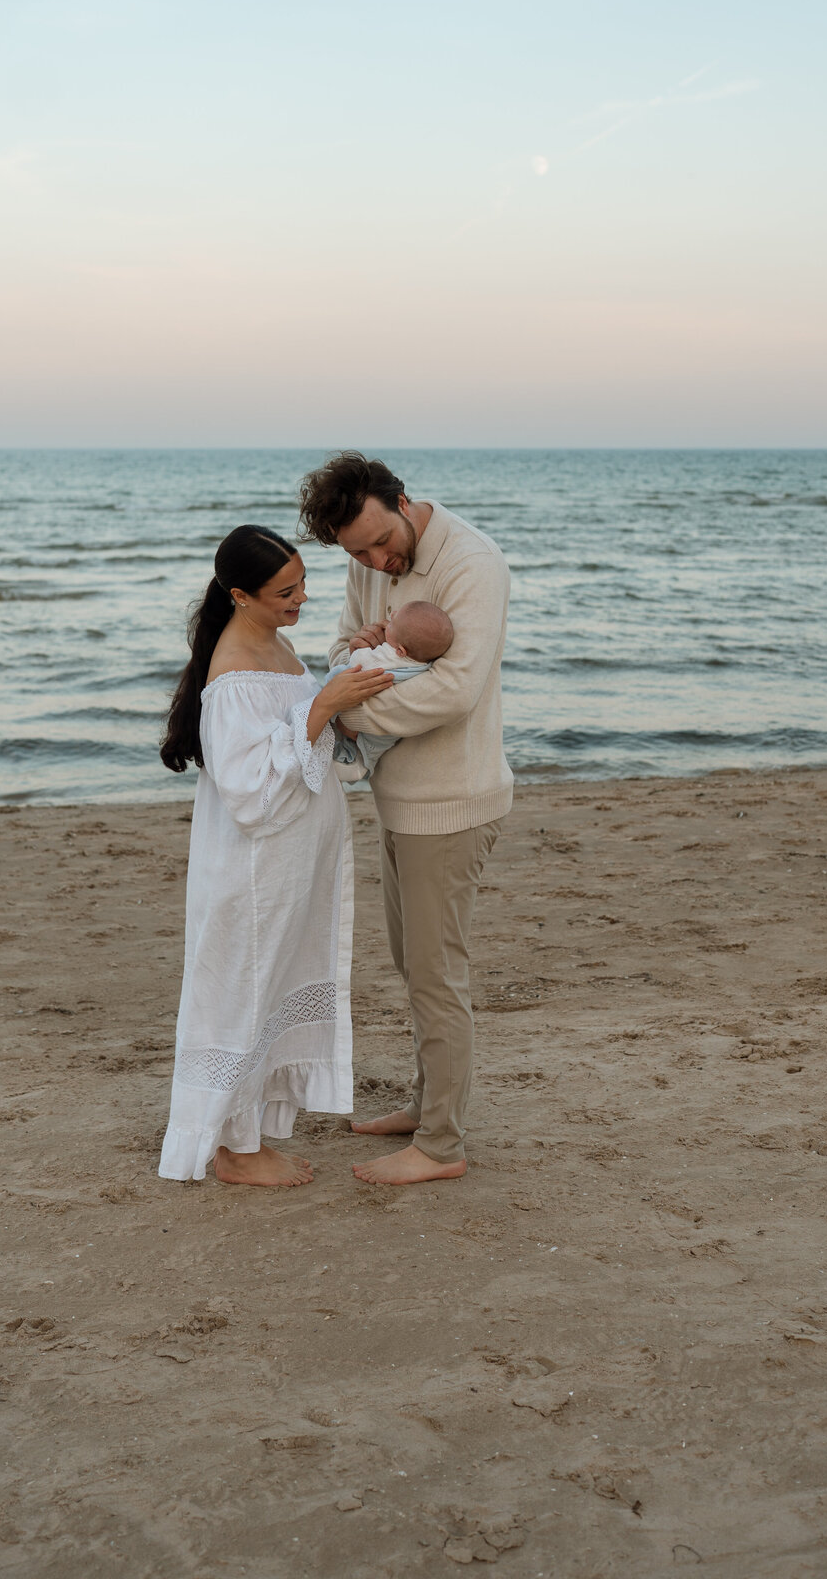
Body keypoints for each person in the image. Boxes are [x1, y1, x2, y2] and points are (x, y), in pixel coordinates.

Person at [298, 453, 512, 1186]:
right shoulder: (369, 561)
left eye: (382, 543)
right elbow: (339, 649)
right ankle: (427, 1107)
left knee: (436, 976)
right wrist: (354, 662)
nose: (376, 563)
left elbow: (453, 691)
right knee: (412, 965)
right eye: (358, 554)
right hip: (398, 799)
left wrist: (343, 712)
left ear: (403, 501)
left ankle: (442, 1146)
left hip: (451, 802)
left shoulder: (472, 563)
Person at [157, 524, 393, 1186]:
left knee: (271, 990)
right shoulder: (231, 672)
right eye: (286, 591)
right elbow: (248, 790)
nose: (302, 599)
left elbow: (300, 729)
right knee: (243, 994)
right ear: (241, 596)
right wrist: (323, 705)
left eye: (303, 583)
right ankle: (234, 1150)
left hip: (291, 864)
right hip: (254, 870)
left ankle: (250, 1135)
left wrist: (345, 677)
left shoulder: (275, 641)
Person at [330, 601, 456, 779]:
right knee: (370, 749)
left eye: (393, 623)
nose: (393, 614)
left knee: (360, 746)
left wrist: (363, 649)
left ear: (400, 651)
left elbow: (358, 661)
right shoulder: (424, 663)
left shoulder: (389, 657)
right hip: (390, 728)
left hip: (371, 725)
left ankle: (352, 763)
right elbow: (340, 644)